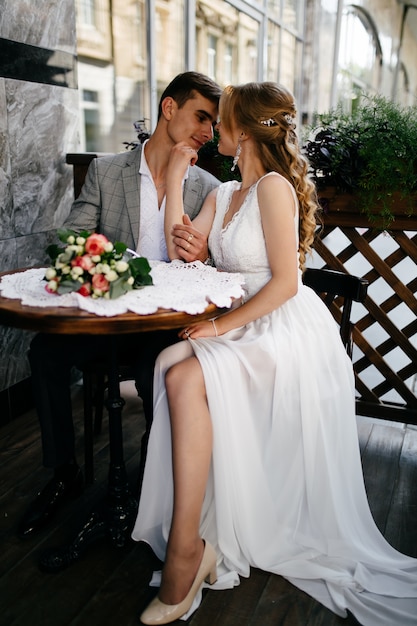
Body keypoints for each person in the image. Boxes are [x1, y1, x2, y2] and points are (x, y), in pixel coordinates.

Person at [132, 82, 417, 625]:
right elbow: (178, 252)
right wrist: (173, 174)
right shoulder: (222, 194)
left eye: (224, 120)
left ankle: (185, 555)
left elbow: (286, 283)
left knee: (186, 377)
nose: (215, 129)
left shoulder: (273, 188)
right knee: (171, 368)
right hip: (239, 319)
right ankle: (193, 544)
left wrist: (217, 326)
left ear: (243, 129)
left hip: (280, 325)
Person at [18, 71, 222, 540]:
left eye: (214, 124)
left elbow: (200, 264)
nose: (208, 133)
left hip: (166, 328)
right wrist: (115, 264)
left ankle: (150, 481)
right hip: (106, 320)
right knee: (45, 353)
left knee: (162, 373)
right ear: (169, 108)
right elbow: (72, 237)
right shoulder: (108, 171)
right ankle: (64, 472)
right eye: (201, 117)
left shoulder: (207, 186)